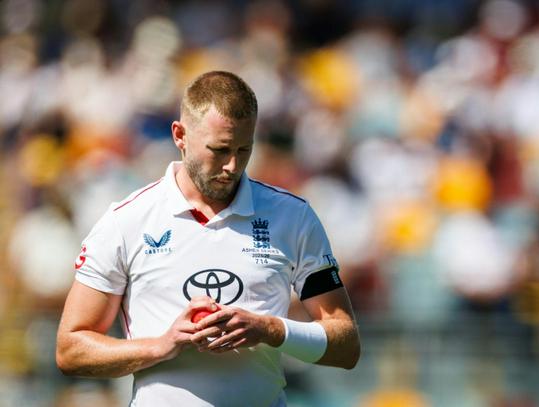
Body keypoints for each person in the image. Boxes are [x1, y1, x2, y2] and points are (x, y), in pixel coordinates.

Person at [56, 71, 360, 406]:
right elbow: (71, 349)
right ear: (180, 135)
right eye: (219, 149)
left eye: (244, 149)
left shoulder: (292, 217)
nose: (232, 166)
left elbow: (346, 345)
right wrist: (162, 345)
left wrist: (270, 329)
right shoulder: (126, 221)